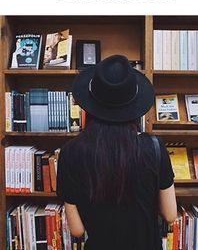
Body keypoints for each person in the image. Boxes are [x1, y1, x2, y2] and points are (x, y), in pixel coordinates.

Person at [56, 54, 177, 250]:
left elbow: (77, 230)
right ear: (134, 104)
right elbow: (170, 214)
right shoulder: (154, 147)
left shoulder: (70, 152)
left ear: (89, 105)